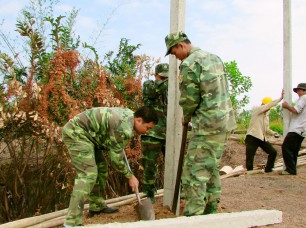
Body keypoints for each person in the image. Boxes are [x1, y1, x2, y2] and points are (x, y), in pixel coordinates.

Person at [164, 31, 236, 216]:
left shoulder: (190, 64)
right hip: (224, 122)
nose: (175, 58)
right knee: (210, 167)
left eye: (173, 53)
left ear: (181, 45)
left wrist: (186, 117)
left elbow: (189, 98)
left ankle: (193, 216)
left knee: (194, 171)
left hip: (207, 124)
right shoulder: (214, 58)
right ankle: (211, 210)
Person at [62, 106, 158, 227]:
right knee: (88, 175)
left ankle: (96, 206)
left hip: (91, 136)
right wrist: (130, 176)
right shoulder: (124, 128)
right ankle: (71, 222)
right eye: (147, 128)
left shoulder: (129, 116)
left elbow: (116, 147)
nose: (147, 131)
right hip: (76, 133)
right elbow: (116, 160)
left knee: (101, 168)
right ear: (138, 120)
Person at [141, 63, 169, 202]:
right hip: (152, 133)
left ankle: (178, 190)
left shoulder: (170, 90)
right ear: (156, 76)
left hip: (168, 134)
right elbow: (156, 90)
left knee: (174, 164)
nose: (165, 80)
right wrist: (172, 80)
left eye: (167, 77)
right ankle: (148, 195)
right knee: (149, 167)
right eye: (162, 77)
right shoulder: (149, 85)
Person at [245, 90, 284, 173]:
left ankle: (268, 169)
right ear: (264, 105)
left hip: (261, 137)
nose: (269, 109)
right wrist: (280, 98)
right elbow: (268, 105)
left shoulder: (266, 116)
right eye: (268, 107)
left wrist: (274, 133)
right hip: (252, 136)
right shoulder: (257, 110)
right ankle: (249, 171)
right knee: (250, 156)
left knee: (273, 152)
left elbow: (266, 129)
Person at [281, 83, 306, 175]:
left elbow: (296, 110)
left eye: (299, 90)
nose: (298, 92)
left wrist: (287, 106)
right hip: (304, 127)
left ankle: (290, 169)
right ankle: (292, 169)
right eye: (297, 91)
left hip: (298, 127)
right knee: (294, 149)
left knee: (286, 147)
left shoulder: (304, 98)